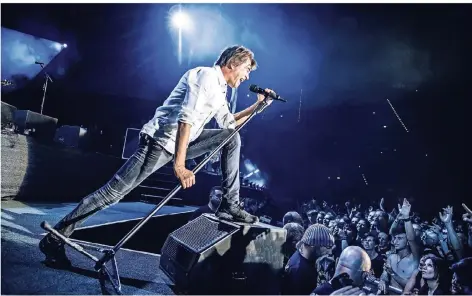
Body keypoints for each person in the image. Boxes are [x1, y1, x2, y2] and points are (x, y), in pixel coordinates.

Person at [39, 45, 274, 268]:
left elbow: (229, 123)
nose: (246, 77)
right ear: (232, 63)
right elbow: (186, 119)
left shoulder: (220, 88)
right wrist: (180, 166)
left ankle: (229, 204)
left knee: (231, 137)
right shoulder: (205, 76)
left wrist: (258, 107)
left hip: (181, 143)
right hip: (159, 143)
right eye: (245, 70)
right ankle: (54, 238)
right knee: (111, 194)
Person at [282, 224, 335, 295]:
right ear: (313, 245)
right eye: (328, 247)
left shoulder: (302, 257)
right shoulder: (299, 271)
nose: (330, 252)